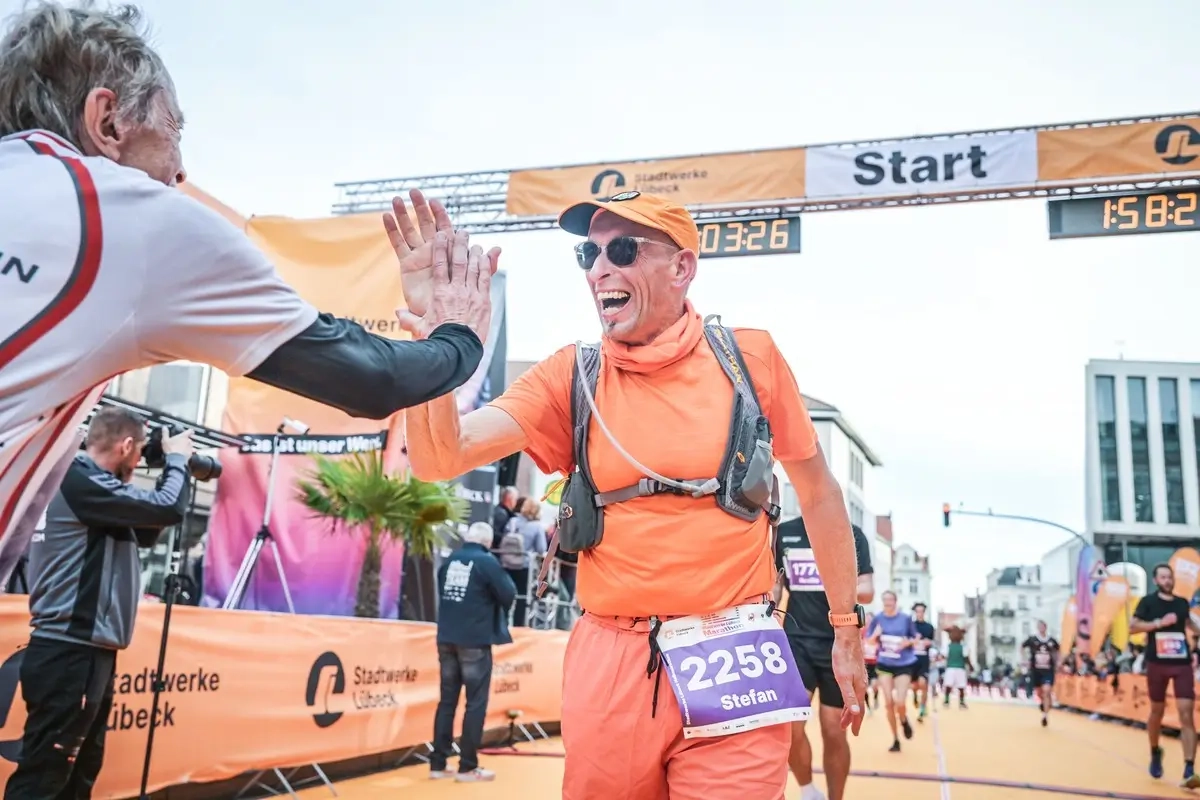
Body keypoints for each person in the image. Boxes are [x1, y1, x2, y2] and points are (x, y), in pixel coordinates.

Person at [0, 1, 495, 591]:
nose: (181, 171)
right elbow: (375, 381)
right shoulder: (132, 216)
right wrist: (459, 333)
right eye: (175, 129)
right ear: (108, 122)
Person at [401, 190, 866, 799]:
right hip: (611, 660)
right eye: (588, 255)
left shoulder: (751, 359)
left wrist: (845, 629)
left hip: (735, 648)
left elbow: (822, 494)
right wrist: (440, 346)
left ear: (682, 268)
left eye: (622, 249)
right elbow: (441, 455)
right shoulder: (571, 375)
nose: (599, 268)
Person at [4, 408, 192, 799]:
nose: (139, 460)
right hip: (70, 650)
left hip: (85, 653)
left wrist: (165, 474)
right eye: (138, 453)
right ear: (125, 446)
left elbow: (147, 529)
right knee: (44, 778)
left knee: (79, 773)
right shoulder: (78, 478)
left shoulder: (94, 491)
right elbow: (169, 507)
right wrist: (177, 460)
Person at [773, 519, 874, 800]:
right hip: (796, 640)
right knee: (789, 726)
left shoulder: (852, 533)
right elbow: (776, 585)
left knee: (834, 731)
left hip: (838, 642)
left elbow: (867, 588)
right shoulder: (785, 532)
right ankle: (808, 791)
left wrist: (836, 575)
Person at [430, 522, 517, 783]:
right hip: (475, 641)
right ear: (488, 543)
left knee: (447, 702)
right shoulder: (486, 562)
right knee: (475, 703)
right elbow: (508, 593)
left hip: (446, 637)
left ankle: (437, 763)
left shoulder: (450, 560)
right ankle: (467, 767)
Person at [1130, 563, 1200, 788]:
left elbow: (1190, 624)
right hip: (1157, 662)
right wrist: (1159, 623)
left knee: (1186, 713)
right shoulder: (1147, 602)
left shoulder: (1181, 603)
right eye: (1163, 577)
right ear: (1155, 580)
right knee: (1157, 712)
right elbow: (1132, 627)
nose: (1168, 581)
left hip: (1181, 662)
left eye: (1170, 577)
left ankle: (1189, 768)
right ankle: (1154, 750)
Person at [866, 591, 918, 752]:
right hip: (885, 663)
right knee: (888, 703)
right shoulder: (878, 619)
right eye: (885, 600)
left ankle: (903, 720)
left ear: (895, 601)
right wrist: (876, 634)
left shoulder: (905, 618)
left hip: (903, 663)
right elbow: (870, 641)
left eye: (890, 600)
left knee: (900, 702)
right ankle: (895, 739)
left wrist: (907, 643)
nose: (888, 602)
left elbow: (915, 638)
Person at [1021, 620, 1060, 727]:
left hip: (1048, 670)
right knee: (1039, 693)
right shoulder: (1032, 639)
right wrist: (1024, 660)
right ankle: (1044, 704)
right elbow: (1022, 646)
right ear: (1038, 628)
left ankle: (1045, 716)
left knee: (1046, 690)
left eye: (1043, 626)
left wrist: (1057, 663)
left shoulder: (1052, 641)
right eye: (1040, 626)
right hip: (1036, 670)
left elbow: (1057, 651)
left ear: (1045, 627)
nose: (1041, 628)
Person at [910, 603, 935, 721]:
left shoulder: (929, 627)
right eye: (917, 611)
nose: (919, 613)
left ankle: (922, 709)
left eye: (921, 611)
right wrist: (913, 641)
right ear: (915, 612)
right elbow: (907, 641)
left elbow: (931, 642)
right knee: (914, 685)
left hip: (924, 659)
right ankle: (915, 696)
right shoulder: (911, 626)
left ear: (924, 612)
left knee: (923, 683)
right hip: (912, 659)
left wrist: (927, 642)